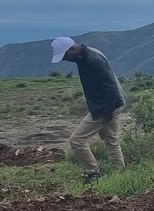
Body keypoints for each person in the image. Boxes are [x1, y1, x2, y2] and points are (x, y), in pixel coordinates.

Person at [51, 37, 126, 184]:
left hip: (107, 106)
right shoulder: (85, 56)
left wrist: (108, 113)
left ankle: (93, 173)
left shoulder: (92, 60)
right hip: (112, 103)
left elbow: (109, 86)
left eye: (65, 56)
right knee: (111, 139)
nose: (65, 60)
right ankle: (119, 173)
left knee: (77, 140)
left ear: (72, 49)